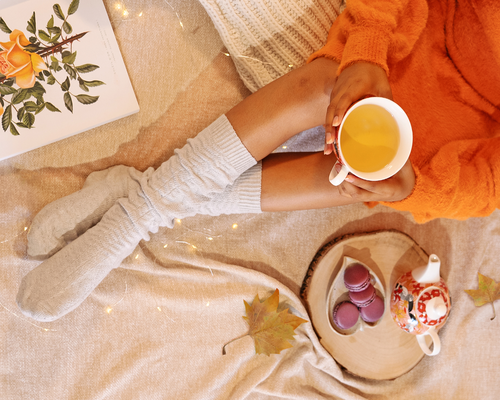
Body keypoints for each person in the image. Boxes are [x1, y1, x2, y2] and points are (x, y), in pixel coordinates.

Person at [17, 0, 500, 322]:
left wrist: (418, 190)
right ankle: (133, 211)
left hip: (459, 128)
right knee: (327, 85)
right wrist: (369, 45)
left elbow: (492, 185)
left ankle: (135, 201)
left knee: (359, 180)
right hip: (411, 28)